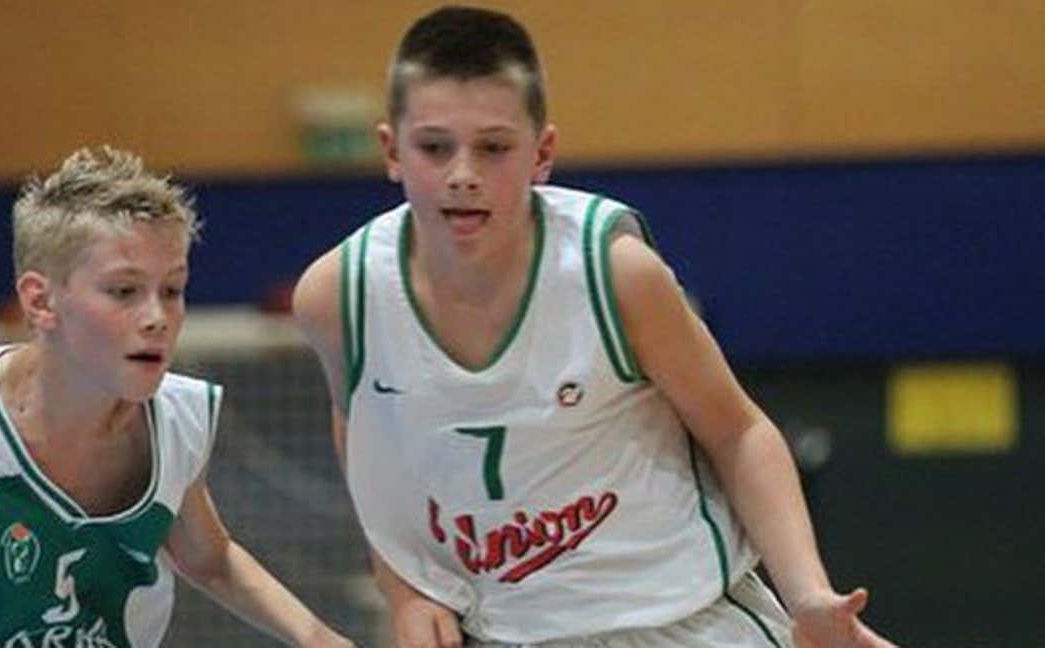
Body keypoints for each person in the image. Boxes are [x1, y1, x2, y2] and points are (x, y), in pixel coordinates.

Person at [293, 6, 898, 648]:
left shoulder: (615, 274)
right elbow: (365, 438)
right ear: (391, 150)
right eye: (435, 147)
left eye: (493, 147)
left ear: (542, 153)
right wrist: (403, 587)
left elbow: (738, 430)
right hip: (501, 630)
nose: (462, 173)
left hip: (677, 621)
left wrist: (807, 595)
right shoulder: (338, 297)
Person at [0, 146, 355, 647]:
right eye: (124, 291)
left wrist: (319, 638)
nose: (157, 316)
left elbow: (209, 558)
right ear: (41, 302)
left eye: (173, 290)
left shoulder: (177, 421)